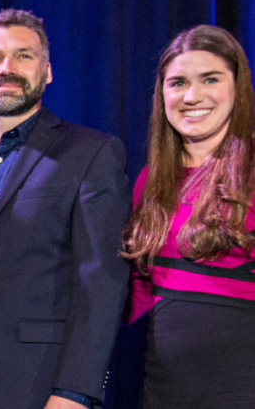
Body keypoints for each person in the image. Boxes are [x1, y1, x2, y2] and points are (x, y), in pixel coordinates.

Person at [0, 9, 130, 409]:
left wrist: (75, 391)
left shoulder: (92, 153)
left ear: (47, 71)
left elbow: (100, 280)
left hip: (43, 388)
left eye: (23, 55)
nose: (7, 67)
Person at [121, 25, 255, 409]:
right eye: (177, 83)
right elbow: (142, 291)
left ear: (237, 86)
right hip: (164, 389)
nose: (192, 96)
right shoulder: (151, 180)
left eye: (210, 79)